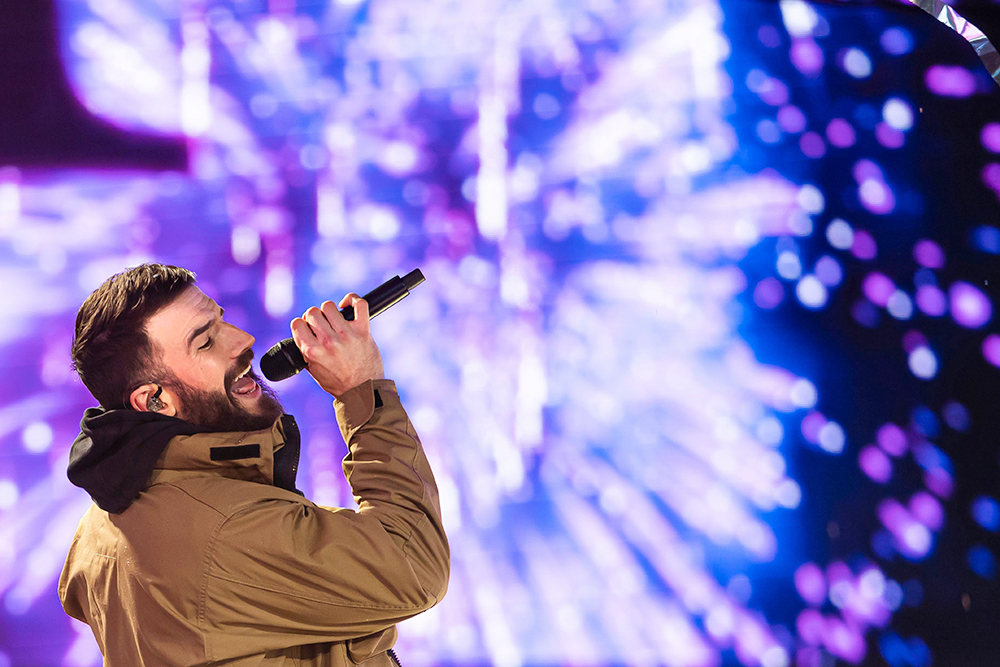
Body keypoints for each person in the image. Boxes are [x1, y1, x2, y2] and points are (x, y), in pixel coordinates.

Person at [58, 263, 449, 666]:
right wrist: (361, 390)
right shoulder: (225, 528)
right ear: (155, 401)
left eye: (221, 321)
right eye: (206, 342)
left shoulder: (100, 523)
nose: (243, 341)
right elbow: (413, 567)